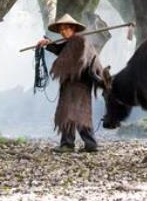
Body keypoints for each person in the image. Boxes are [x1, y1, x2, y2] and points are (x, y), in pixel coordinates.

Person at [37, 14, 106, 153]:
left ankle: (76, 144)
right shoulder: (70, 44)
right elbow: (61, 51)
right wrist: (48, 44)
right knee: (70, 113)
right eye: (61, 29)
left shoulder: (80, 41)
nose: (63, 31)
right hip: (70, 85)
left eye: (66, 28)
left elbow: (81, 61)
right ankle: (78, 144)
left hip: (80, 84)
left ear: (73, 28)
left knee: (76, 113)